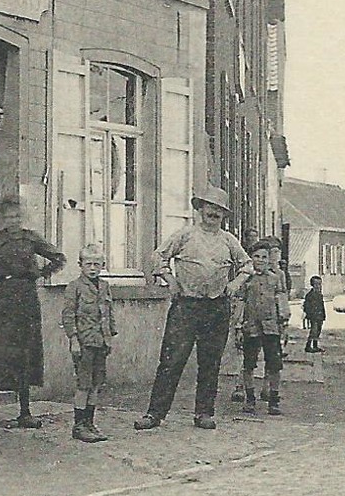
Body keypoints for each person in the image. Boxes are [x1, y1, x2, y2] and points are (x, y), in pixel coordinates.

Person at [134, 185, 251, 432]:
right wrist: (171, 281)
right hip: (186, 307)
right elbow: (158, 257)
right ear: (199, 209)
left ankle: (204, 413)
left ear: (224, 214)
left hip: (216, 307)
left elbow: (247, 266)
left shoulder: (229, 241)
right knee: (171, 361)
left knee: (210, 362)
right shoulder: (185, 235)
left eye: (219, 209)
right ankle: (154, 414)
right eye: (210, 207)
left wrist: (235, 284)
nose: (214, 213)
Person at [0, 197, 65, 429]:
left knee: (25, 352)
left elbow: (58, 258)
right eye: (8, 217)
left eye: (17, 216)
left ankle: (25, 412)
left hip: (26, 299)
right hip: (2, 299)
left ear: (22, 217)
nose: (13, 221)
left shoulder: (31, 238)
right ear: (2, 219)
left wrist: (38, 274)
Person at [62, 244, 116, 443]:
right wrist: (73, 339)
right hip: (84, 342)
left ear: (102, 265)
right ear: (80, 265)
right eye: (88, 264)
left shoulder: (104, 286)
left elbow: (109, 313)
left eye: (97, 264)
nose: (92, 268)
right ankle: (79, 425)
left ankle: (89, 423)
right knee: (84, 384)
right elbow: (68, 315)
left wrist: (109, 337)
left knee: (96, 384)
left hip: (101, 342)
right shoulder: (74, 287)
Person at [235, 239, 290, 416]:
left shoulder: (275, 279)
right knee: (249, 364)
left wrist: (283, 324)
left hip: (271, 328)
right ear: (251, 259)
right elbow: (240, 302)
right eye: (256, 257)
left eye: (264, 257)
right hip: (251, 327)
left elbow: (281, 302)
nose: (260, 260)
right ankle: (250, 400)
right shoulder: (246, 279)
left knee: (274, 365)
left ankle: (273, 401)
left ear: (269, 259)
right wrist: (237, 326)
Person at [302, 275, 327, 353]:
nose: (318, 286)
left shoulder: (320, 295)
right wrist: (309, 314)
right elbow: (306, 306)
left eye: (319, 284)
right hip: (313, 316)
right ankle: (308, 345)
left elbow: (322, 305)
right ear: (312, 285)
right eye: (316, 284)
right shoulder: (310, 295)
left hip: (319, 316)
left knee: (318, 331)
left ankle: (315, 346)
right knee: (313, 331)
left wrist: (324, 314)